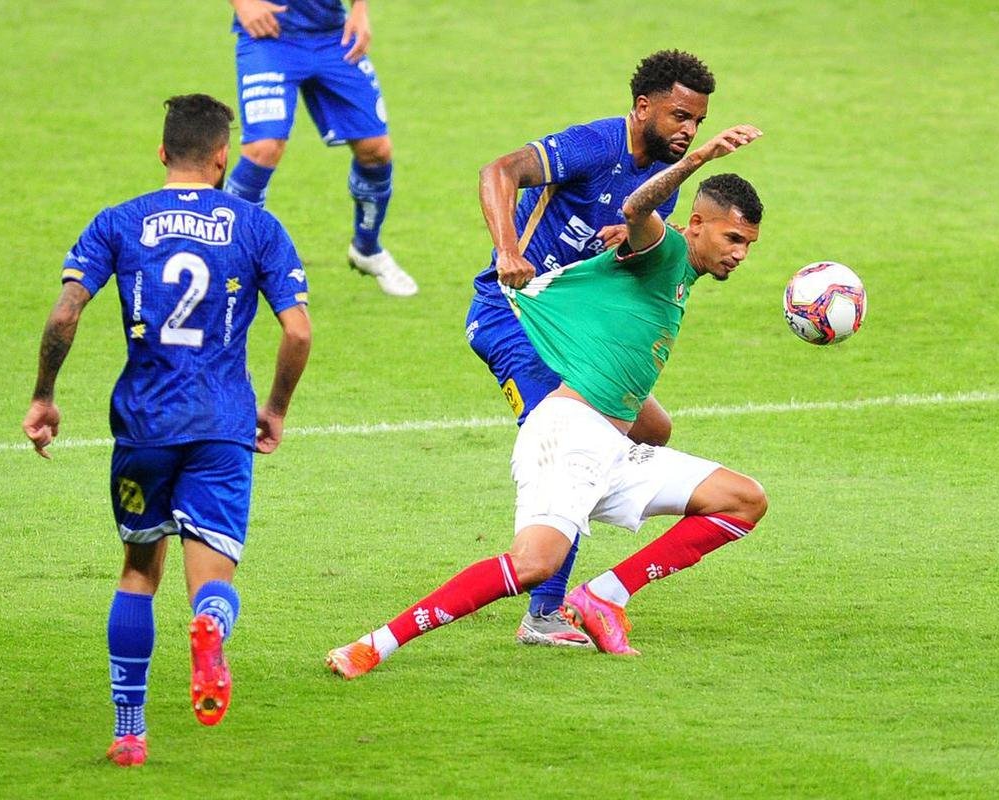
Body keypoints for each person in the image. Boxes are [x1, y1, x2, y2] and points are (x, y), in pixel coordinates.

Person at [327, 122, 765, 679]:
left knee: (743, 499)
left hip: (608, 449)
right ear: (697, 225)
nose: (741, 254)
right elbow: (636, 208)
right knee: (534, 563)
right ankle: (376, 644)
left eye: (748, 245)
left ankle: (602, 596)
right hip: (568, 436)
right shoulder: (666, 249)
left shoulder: (680, 265)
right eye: (733, 240)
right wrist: (695, 159)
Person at [21, 94, 312, 767]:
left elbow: (65, 314)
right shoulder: (256, 225)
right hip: (222, 424)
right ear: (219, 160)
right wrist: (276, 408)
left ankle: (129, 732)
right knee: (210, 578)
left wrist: (44, 394)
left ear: (161, 154)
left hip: (143, 424)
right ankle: (209, 626)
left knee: (137, 570)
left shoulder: (119, 221)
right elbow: (297, 329)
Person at [466, 50, 717, 646]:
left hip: (574, 333)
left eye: (698, 122)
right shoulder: (596, 146)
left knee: (653, 430)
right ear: (642, 107)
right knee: (582, 448)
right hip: (513, 318)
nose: (688, 131)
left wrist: (626, 245)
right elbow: (497, 171)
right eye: (680, 116)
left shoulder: (660, 182)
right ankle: (545, 612)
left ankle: (573, 520)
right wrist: (507, 249)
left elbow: (635, 252)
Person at [225, 0, 417, 296]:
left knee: (376, 149)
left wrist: (359, 10)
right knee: (263, 148)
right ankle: (225, 257)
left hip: (333, 37)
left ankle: (367, 249)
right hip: (269, 37)